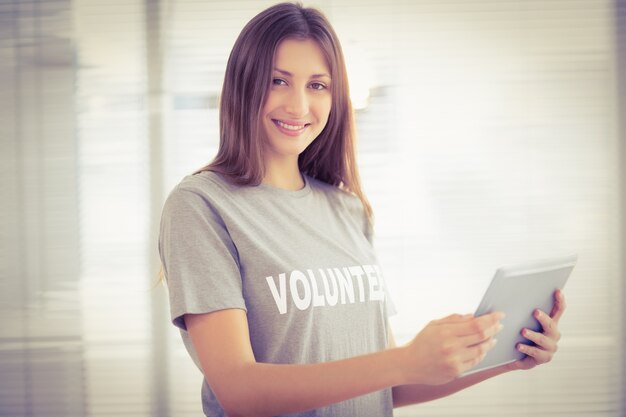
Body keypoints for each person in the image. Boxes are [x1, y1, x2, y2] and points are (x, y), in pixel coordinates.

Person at [157, 2, 567, 417]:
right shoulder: (201, 206)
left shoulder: (348, 209)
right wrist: (404, 359)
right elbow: (239, 391)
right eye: (278, 81)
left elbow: (388, 384)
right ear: (243, 85)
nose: (298, 106)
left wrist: (506, 358)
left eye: (317, 85)